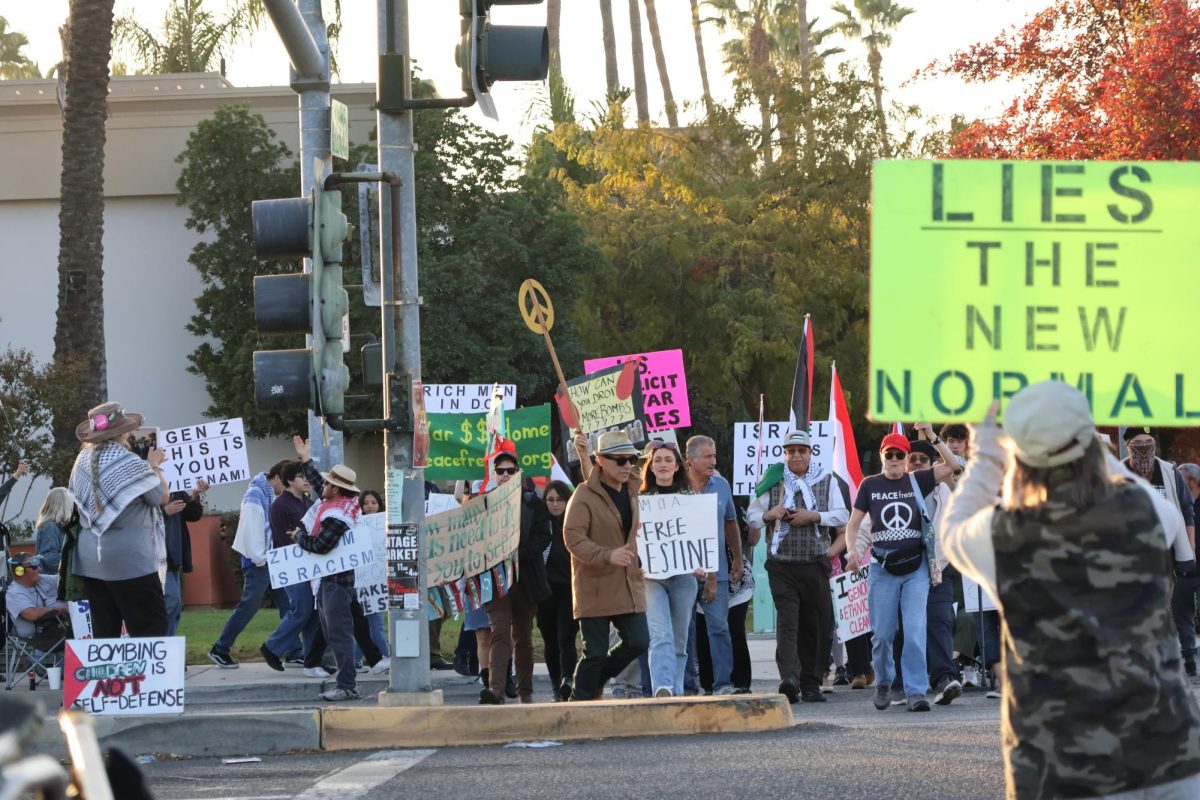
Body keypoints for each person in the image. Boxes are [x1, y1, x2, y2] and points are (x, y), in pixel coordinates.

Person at [943, 383, 1200, 800]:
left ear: (1019, 453)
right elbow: (1131, 485)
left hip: (1059, 770)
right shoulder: (1148, 513)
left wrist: (986, 450)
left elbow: (952, 529)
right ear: (1092, 446)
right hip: (1169, 757)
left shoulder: (1004, 536)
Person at [845, 423, 960, 712]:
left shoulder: (917, 480)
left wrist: (933, 435)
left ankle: (916, 691)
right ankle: (884, 680)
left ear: (907, 457)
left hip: (915, 569)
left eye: (900, 454)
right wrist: (851, 551)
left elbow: (953, 464)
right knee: (883, 634)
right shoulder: (870, 485)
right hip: (883, 569)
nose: (894, 459)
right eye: (889, 454)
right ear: (882, 456)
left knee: (915, 629)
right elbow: (854, 523)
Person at [746, 429, 848, 703]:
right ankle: (789, 678)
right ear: (785, 453)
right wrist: (771, 514)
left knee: (815, 624)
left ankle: (811, 682)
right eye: (791, 451)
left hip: (815, 562)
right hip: (782, 565)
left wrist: (814, 516)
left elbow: (842, 514)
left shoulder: (826, 480)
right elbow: (752, 516)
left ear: (810, 452)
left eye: (802, 451)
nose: (796, 456)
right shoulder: (773, 480)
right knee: (788, 621)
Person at [68, 402, 170, 638]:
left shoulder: (81, 461)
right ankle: (147, 677)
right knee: (150, 630)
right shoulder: (129, 462)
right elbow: (161, 497)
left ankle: (111, 676)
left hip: (92, 561)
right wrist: (154, 466)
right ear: (122, 432)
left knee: (106, 634)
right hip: (130, 562)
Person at [564, 430, 650, 701]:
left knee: (639, 640)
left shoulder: (636, 489)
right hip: (595, 585)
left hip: (628, 583)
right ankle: (578, 701)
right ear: (601, 460)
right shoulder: (584, 495)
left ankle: (594, 682)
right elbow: (572, 537)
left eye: (631, 460)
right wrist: (606, 555)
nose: (627, 466)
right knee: (595, 652)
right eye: (619, 460)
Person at [639, 441, 712, 698]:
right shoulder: (640, 501)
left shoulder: (692, 500)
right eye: (657, 460)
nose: (663, 465)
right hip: (651, 579)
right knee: (659, 634)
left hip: (683, 577)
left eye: (668, 460)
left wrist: (703, 565)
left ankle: (677, 691)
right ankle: (662, 688)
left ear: (677, 465)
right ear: (650, 466)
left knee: (680, 639)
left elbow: (701, 538)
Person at [480, 443, 552, 704]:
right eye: (501, 470)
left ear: (519, 473)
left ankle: (525, 692)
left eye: (511, 470)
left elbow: (544, 535)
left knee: (523, 636)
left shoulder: (533, 502)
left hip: (526, 579)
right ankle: (496, 690)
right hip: (496, 580)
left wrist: (520, 553)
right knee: (499, 632)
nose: (506, 474)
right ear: (494, 474)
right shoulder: (483, 504)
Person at [1123, 427, 1198, 673]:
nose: (1144, 447)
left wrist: (1189, 550)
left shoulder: (1170, 473)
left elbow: (1187, 512)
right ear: (1128, 446)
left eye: (1149, 442)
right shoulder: (1118, 473)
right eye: (1138, 443)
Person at [891, 440, 960, 706]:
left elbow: (954, 466)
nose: (917, 463)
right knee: (901, 627)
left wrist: (933, 437)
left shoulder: (945, 491)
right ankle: (899, 683)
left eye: (923, 459)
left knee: (939, 622)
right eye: (913, 458)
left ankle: (943, 679)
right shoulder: (893, 490)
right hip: (902, 570)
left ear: (933, 464)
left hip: (937, 569)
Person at [291, 464, 366, 701]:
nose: (320, 485)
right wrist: (306, 460)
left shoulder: (337, 515)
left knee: (339, 634)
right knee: (333, 633)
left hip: (335, 582)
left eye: (326, 483)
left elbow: (321, 545)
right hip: (328, 581)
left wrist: (299, 537)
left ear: (336, 488)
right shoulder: (340, 505)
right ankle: (347, 682)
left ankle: (347, 686)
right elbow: (320, 485)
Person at [207, 458, 290, 668]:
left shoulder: (265, 493)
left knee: (289, 606)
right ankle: (220, 648)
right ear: (277, 478)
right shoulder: (256, 496)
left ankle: (294, 650)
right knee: (249, 606)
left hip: (269, 560)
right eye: (286, 484)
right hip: (259, 561)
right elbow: (253, 530)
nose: (287, 489)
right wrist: (261, 559)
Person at [684, 435, 741, 696]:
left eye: (714, 455)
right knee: (684, 630)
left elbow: (731, 523)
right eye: (707, 457)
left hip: (715, 572)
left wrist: (737, 558)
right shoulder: (675, 487)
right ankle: (686, 686)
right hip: (681, 572)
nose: (713, 461)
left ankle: (723, 684)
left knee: (719, 627)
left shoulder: (722, 485)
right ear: (690, 460)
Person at [262, 458, 322, 675]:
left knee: (313, 612)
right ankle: (271, 648)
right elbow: (283, 538)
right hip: (291, 565)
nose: (306, 481)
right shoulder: (280, 505)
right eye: (301, 477)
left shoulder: (307, 502)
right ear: (289, 481)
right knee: (301, 609)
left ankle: (312, 659)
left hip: (310, 564)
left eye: (307, 477)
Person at [536, 479, 580, 701]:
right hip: (545, 592)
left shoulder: (574, 524)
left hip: (569, 590)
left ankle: (567, 680)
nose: (554, 504)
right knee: (550, 640)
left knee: (566, 637)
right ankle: (556, 685)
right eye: (550, 500)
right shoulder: (541, 524)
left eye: (559, 500)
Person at [163, 480, 206, 637]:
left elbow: (192, 515)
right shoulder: (146, 483)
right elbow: (137, 515)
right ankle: (163, 651)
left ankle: (167, 652)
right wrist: (164, 511)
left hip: (173, 557)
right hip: (154, 556)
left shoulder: (174, 487)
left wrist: (195, 496)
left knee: (174, 607)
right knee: (171, 603)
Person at [6, 553, 69, 644]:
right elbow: (31, 614)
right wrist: (62, 609)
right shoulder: (14, 593)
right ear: (20, 571)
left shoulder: (42, 579)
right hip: (42, 636)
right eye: (34, 567)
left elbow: (66, 580)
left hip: (59, 626)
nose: (39, 569)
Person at [1178, 463, 1200, 676]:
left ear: (1192, 482)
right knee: (1183, 619)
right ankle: (1190, 663)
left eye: (1181, 481)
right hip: (1182, 572)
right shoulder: (1177, 505)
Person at [34, 486, 76, 574]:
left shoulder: (57, 526)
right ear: (64, 504)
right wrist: (74, 555)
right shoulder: (50, 527)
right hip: (52, 582)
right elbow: (49, 558)